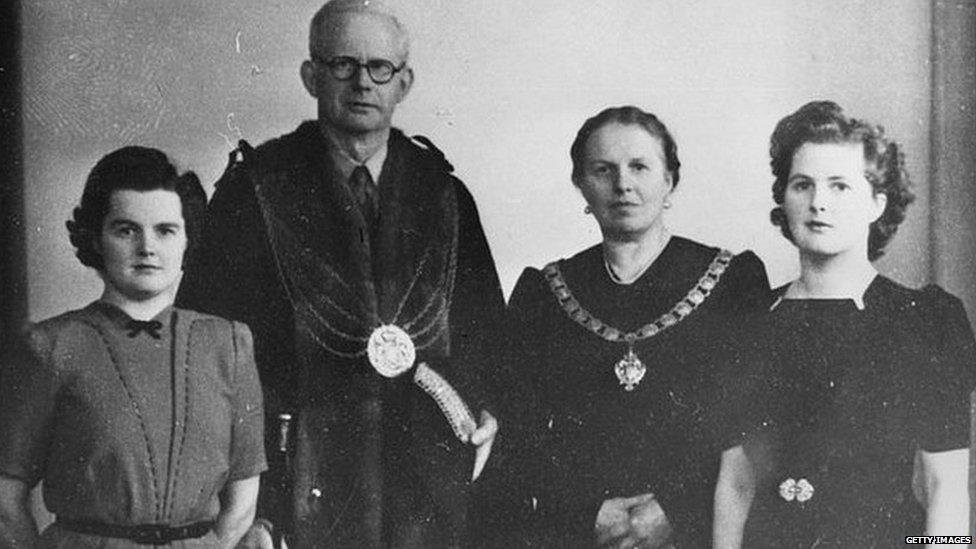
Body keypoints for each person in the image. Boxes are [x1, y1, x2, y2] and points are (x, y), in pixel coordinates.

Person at [176, 1, 505, 547]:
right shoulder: (255, 188)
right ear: (312, 75)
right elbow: (209, 353)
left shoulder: (442, 191)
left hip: (423, 475)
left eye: (381, 68)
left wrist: (486, 408)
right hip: (294, 475)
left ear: (404, 82)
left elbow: (486, 336)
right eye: (342, 64)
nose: (362, 83)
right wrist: (246, 506)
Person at [499, 106, 771, 548]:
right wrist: (586, 514)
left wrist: (676, 511)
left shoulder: (731, 282)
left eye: (639, 167)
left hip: (699, 534)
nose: (622, 184)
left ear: (669, 181)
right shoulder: (545, 292)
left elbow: (752, 434)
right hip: (580, 537)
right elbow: (520, 438)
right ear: (581, 185)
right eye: (603, 170)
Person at [712, 101, 974, 547]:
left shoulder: (925, 320)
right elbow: (736, 484)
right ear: (783, 198)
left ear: (877, 203)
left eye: (839, 186)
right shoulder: (746, 322)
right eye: (803, 185)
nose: (818, 203)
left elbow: (944, 487)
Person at [0, 146, 266, 548]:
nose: (147, 247)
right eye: (126, 229)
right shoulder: (50, 346)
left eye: (165, 230)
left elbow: (243, 498)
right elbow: (5, 499)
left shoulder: (229, 344)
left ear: (187, 239)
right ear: (95, 237)